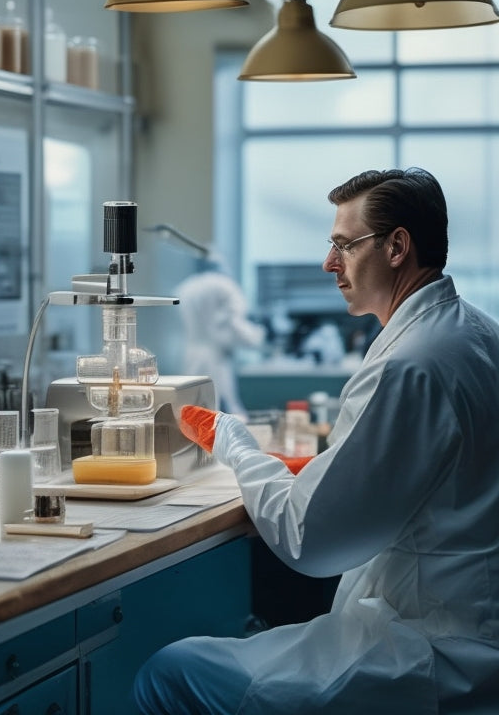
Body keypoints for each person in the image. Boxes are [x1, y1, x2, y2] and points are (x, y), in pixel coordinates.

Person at [133, 167, 499, 714]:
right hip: (469, 623)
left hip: (437, 649)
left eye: (343, 245)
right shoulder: (474, 331)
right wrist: (312, 469)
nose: (330, 263)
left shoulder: (409, 365)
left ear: (397, 246)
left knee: (170, 673)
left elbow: (309, 540)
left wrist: (236, 444)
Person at [175, 270, 265, 415]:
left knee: (194, 409)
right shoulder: (224, 288)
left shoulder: (188, 288)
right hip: (213, 359)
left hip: (192, 356)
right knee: (211, 412)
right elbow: (235, 326)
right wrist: (258, 336)